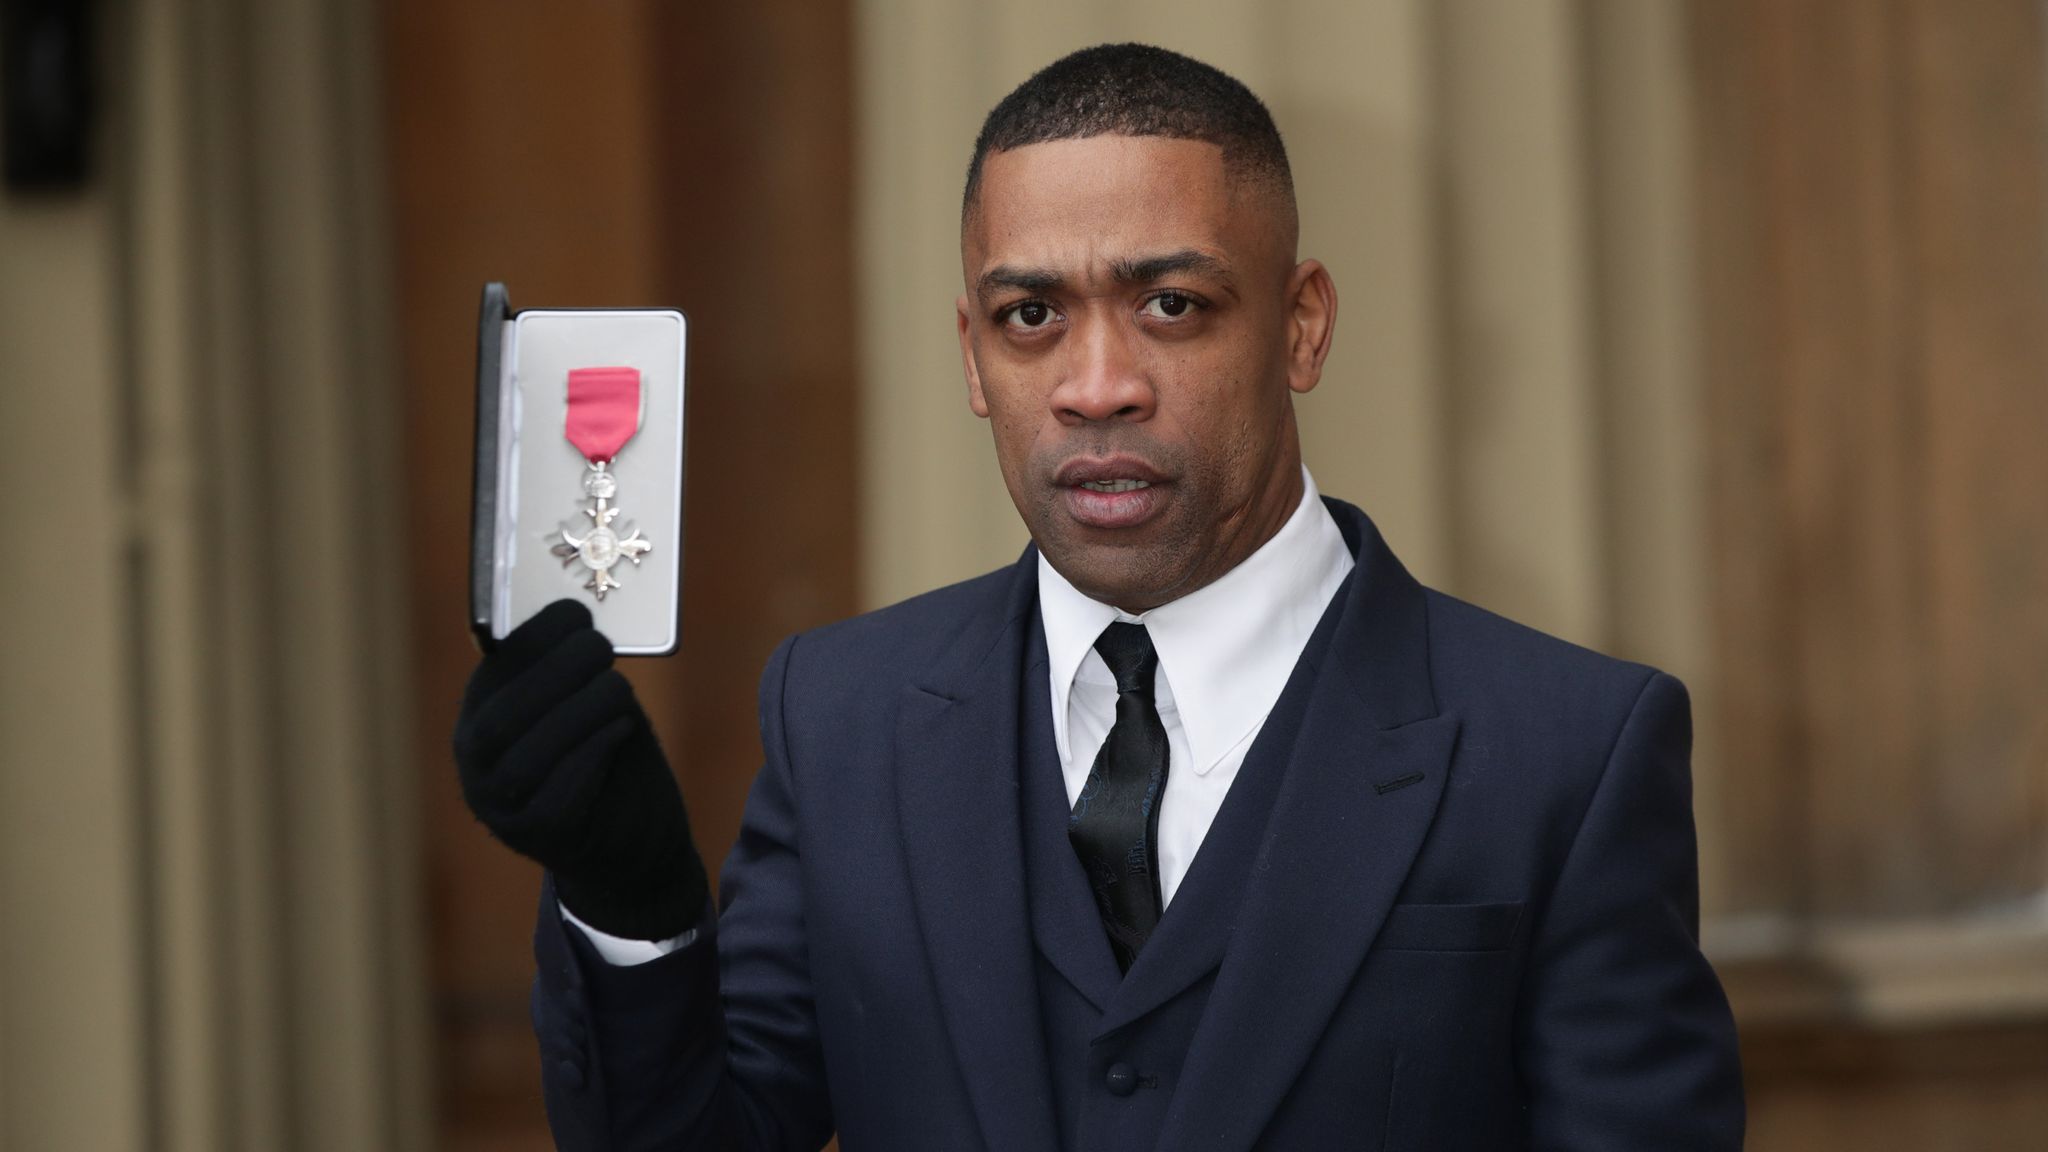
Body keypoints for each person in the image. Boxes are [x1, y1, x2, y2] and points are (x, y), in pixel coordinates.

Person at [453, 43, 1744, 1152]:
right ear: (973, 358)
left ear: (1301, 325)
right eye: (1031, 315)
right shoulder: (840, 719)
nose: (1096, 386)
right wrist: (629, 904)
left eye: (1171, 304)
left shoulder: (1568, 751)